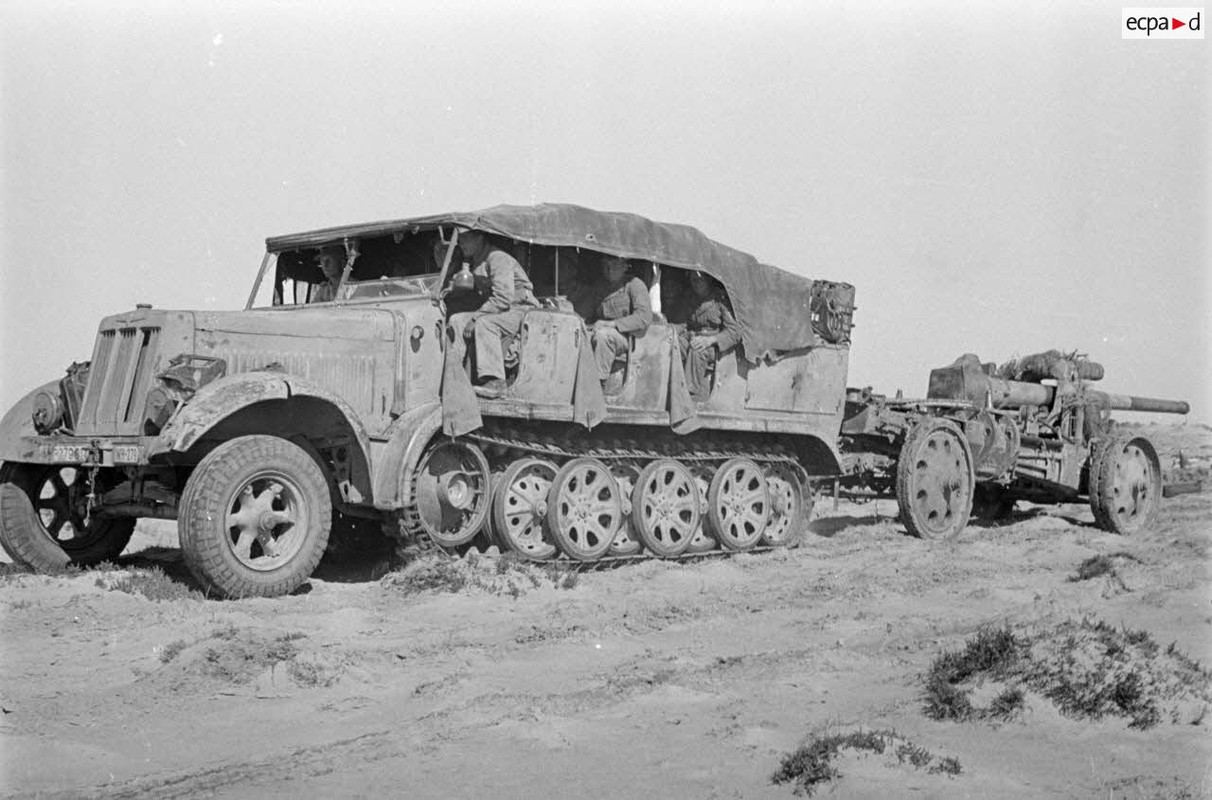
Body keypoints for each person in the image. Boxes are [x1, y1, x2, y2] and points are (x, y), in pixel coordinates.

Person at [447, 229, 539, 398]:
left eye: (465, 239)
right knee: (457, 320)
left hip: (522, 311)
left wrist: (476, 317)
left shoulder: (497, 258)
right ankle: (458, 376)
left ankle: (496, 381)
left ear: (480, 238)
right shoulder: (476, 260)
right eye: (459, 240)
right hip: (501, 310)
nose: (461, 244)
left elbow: (503, 298)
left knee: (485, 324)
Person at [576, 255, 652, 383]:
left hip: (624, 337)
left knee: (603, 336)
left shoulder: (634, 285)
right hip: (598, 330)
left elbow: (644, 317)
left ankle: (597, 385)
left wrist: (612, 324)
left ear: (624, 267)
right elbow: (584, 311)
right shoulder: (599, 286)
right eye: (606, 265)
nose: (610, 270)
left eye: (615, 265)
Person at [674, 271, 740, 401]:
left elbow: (734, 331)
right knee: (673, 344)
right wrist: (670, 330)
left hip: (714, 346)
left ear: (708, 279)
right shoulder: (692, 297)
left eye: (700, 279)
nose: (696, 283)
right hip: (693, 337)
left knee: (696, 349)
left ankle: (690, 394)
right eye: (693, 280)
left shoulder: (719, 299)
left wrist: (710, 340)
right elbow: (686, 324)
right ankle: (671, 384)